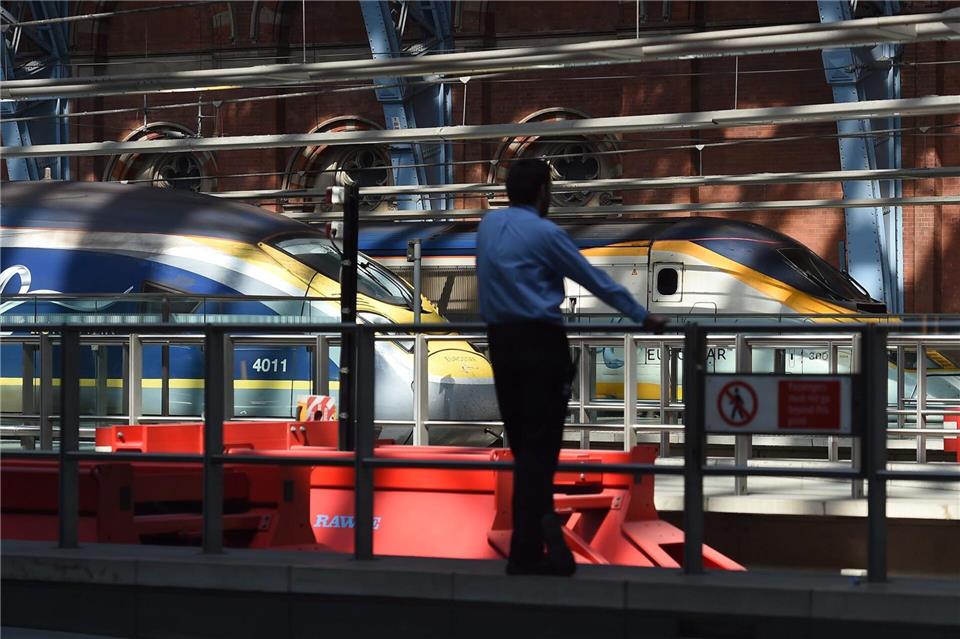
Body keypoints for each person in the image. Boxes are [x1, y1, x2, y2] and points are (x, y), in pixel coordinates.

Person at [477, 158, 667, 577]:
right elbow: (595, 280)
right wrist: (642, 316)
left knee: (524, 447)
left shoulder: (487, 227)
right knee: (542, 450)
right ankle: (540, 531)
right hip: (541, 345)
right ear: (543, 191)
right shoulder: (547, 234)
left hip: (502, 345)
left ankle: (528, 548)